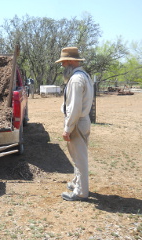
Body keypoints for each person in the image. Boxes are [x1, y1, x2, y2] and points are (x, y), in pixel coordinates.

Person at [55, 47, 94, 201]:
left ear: (71, 61)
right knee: (78, 156)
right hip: (82, 120)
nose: (63, 66)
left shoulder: (76, 79)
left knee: (79, 158)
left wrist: (68, 128)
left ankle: (81, 192)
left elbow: (74, 108)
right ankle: (78, 183)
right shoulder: (83, 75)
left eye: (63, 63)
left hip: (77, 122)